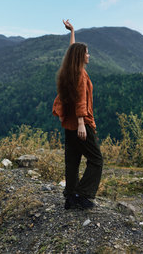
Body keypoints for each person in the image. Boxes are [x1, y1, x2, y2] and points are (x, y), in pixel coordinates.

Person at [52, 19, 103, 210]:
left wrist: (72, 31)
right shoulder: (80, 75)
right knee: (96, 160)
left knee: (72, 161)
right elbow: (81, 99)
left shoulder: (70, 70)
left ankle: (70, 197)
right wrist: (82, 123)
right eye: (87, 53)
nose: (89, 55)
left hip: (69, 124)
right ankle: (82, 195)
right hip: (81, 123)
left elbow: (72, 50)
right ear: (81, 56)